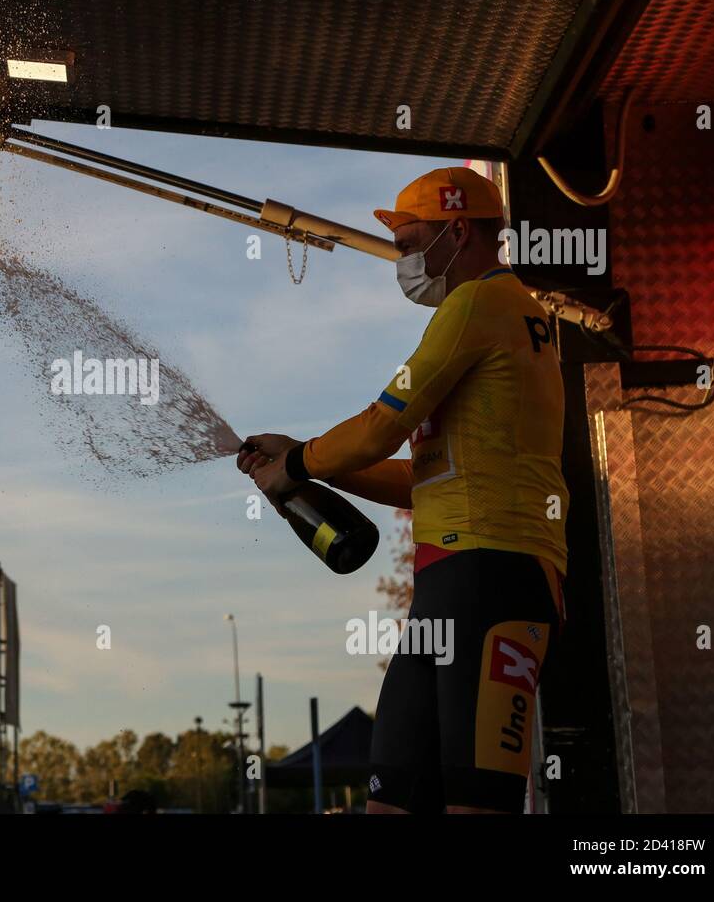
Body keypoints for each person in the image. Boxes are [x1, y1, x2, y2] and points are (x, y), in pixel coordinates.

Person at [239, 166, 567, 814]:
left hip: (495, 575)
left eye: (411, 242)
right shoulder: (498, 312)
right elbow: (413, 480)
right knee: (390, 799)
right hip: (455, 579)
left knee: (477, 804)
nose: (403, 259)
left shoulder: (479, 303)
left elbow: (379, 428)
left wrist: (298, 464)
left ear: (458, 231)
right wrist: (307, 461)